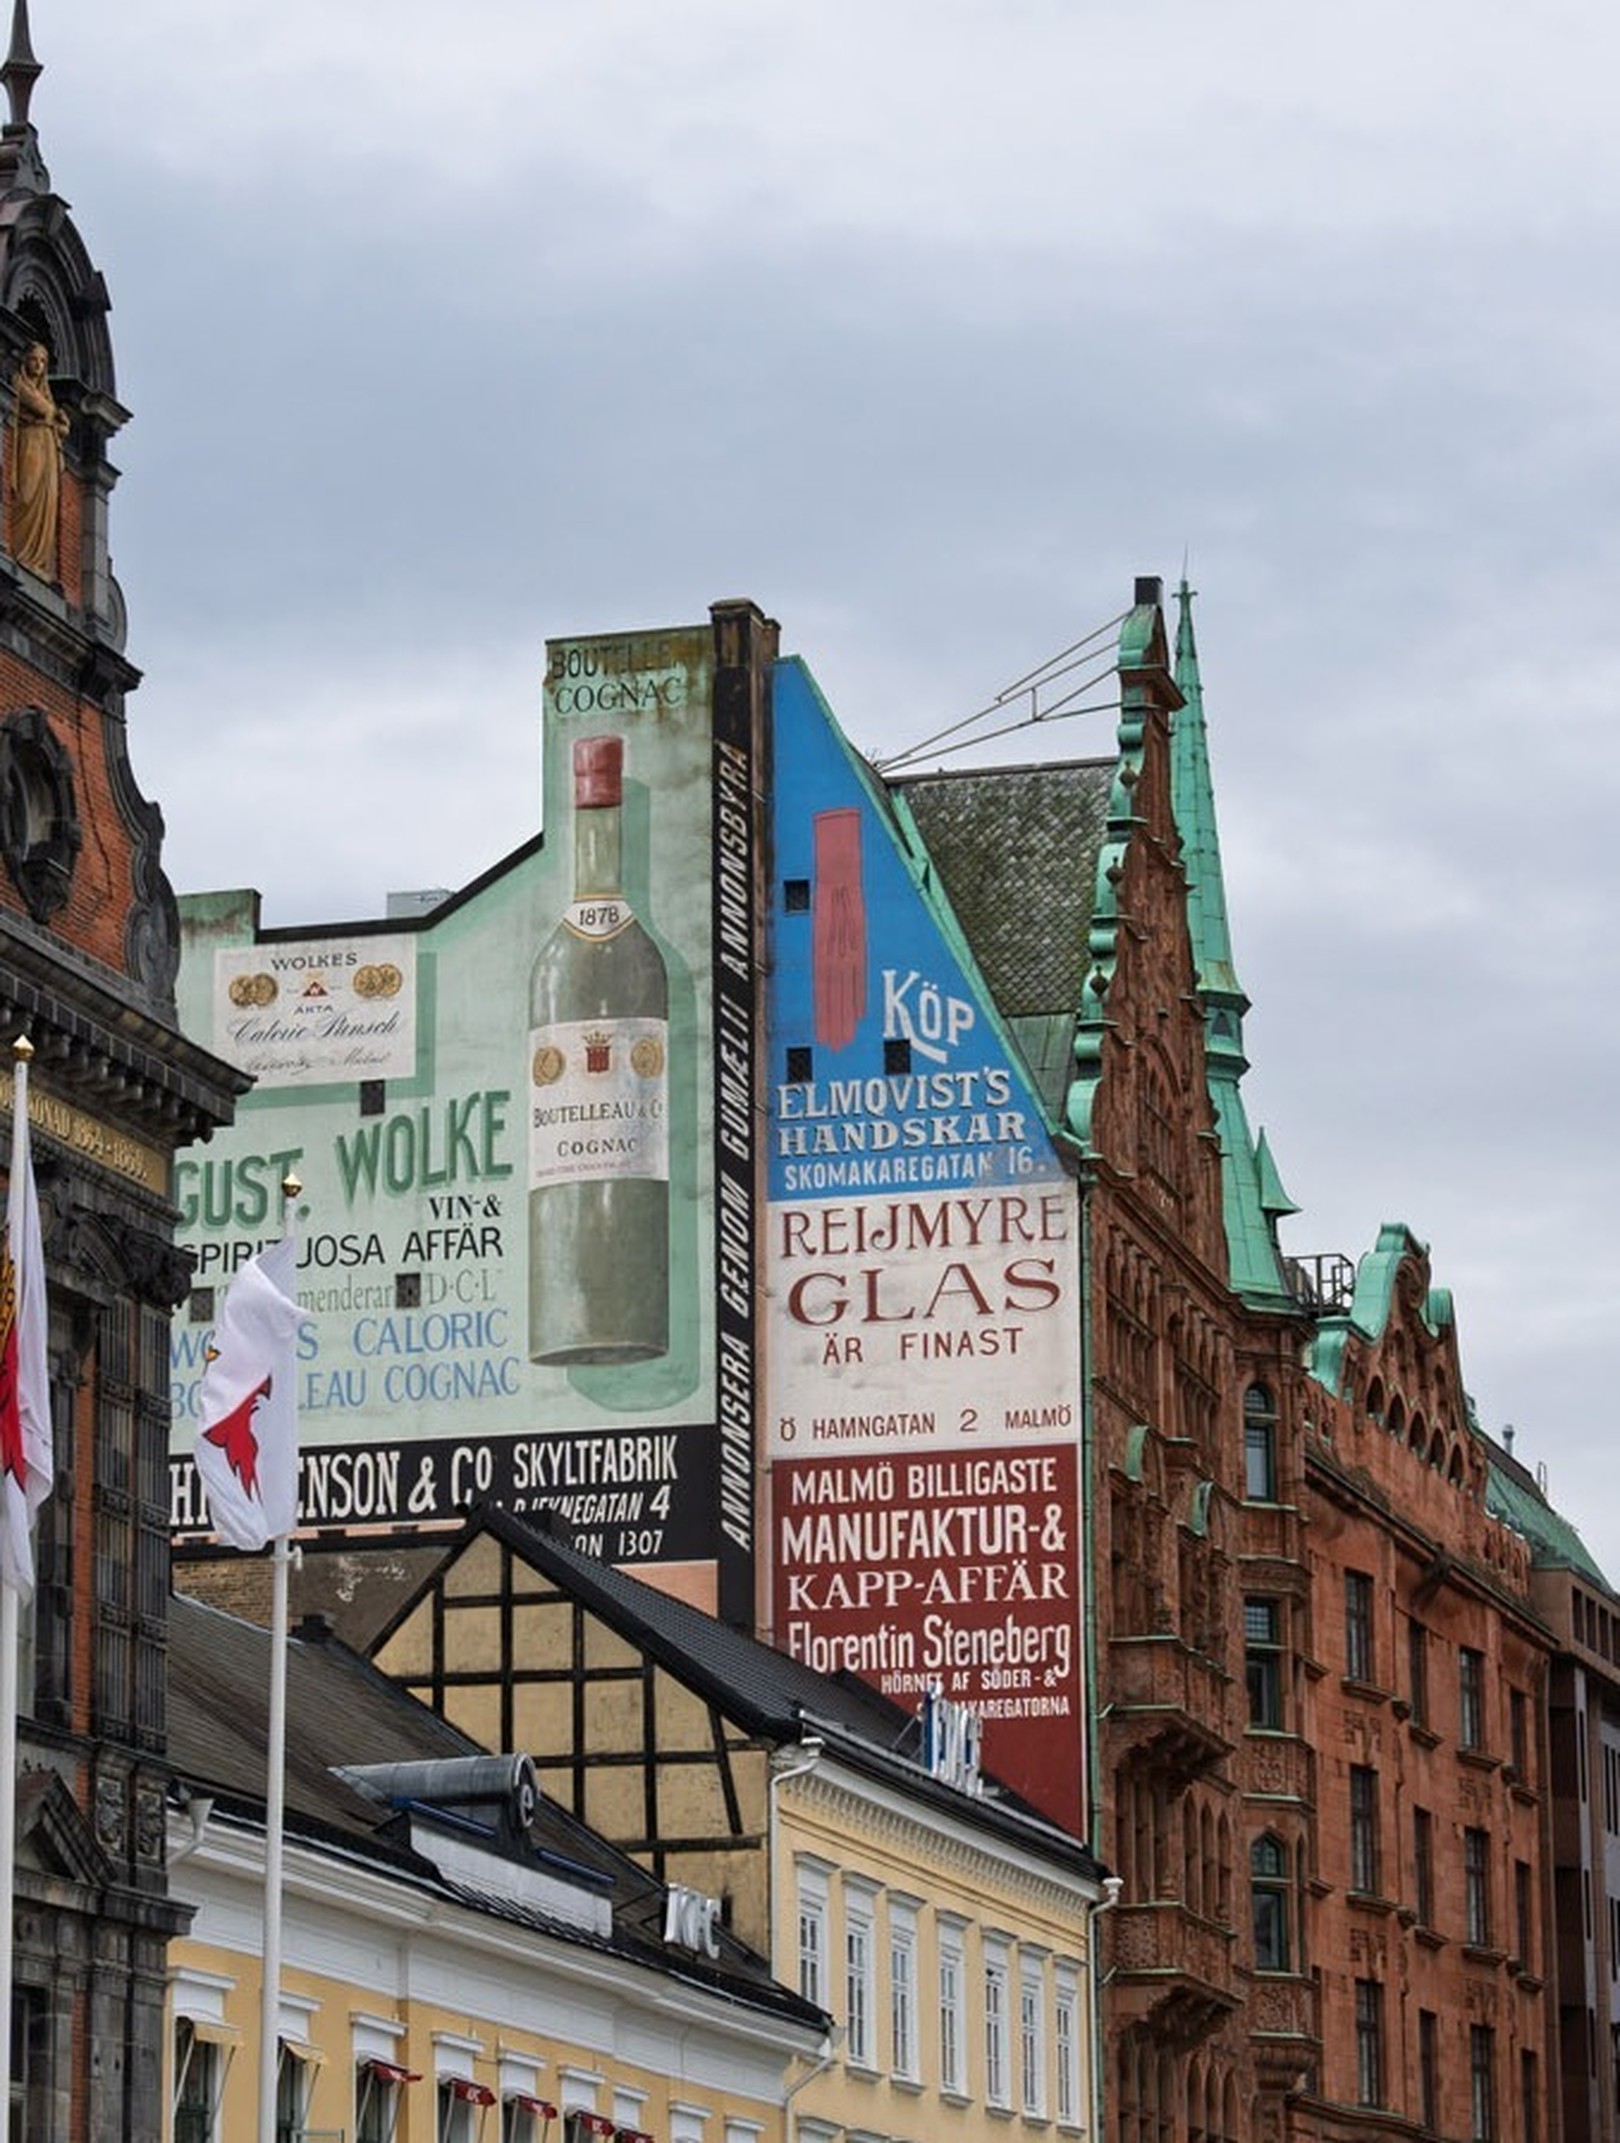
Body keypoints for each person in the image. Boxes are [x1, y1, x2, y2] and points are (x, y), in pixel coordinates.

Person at [10, 342, 68, 580]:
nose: (38, 365)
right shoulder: (18, 382)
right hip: (30, 441)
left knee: (47, 499)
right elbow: (41, 408)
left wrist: (59, 423)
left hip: (48, 447)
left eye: (43, 362)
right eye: (34, 359)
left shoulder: (44, 393)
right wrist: (53, 416)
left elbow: (59, 425)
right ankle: (22, 552)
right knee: (27, 493)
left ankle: (38, 559)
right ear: (25, 360)